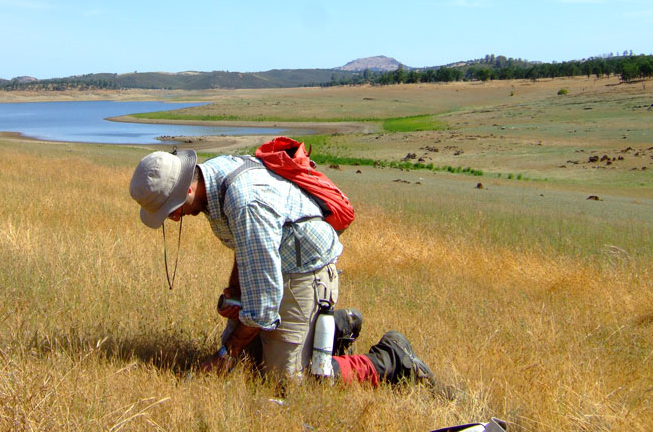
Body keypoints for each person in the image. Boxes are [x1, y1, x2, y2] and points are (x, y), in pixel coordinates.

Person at [129, 148, 445, 392]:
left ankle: (390, 360)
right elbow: (248, 246)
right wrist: (237, 291)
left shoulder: (245, 202)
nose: (172, 219)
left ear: (185, 188)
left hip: (306, 273)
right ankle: (330, 327)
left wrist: (224, 354)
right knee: (248, 363)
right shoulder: (211, 177)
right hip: (279, 268)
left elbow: (264, 303)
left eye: (171, 210)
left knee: (287, 382)